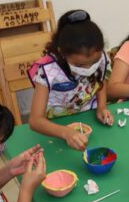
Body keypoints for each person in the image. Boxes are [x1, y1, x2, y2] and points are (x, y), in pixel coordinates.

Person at [28, 10, 113, 150]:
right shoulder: (48, 71)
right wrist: (65, 133)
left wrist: (102, 106)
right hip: (55, 127)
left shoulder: (102, 57)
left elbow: (100, 82)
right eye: (79, 65)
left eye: (94, 62)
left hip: (88, 118)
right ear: (62, 52)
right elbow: (35, 121)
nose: (89, 68)